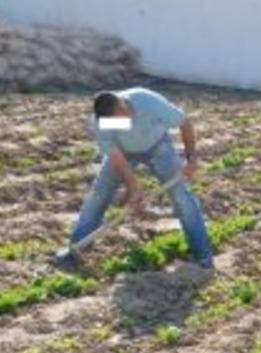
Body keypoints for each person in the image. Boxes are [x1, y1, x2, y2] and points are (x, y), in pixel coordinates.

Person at [53, 87, 214, 270]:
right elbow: (118, 159)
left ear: (123, 107)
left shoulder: (147, 102)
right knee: (98, 195)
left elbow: (184, 123)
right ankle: (76, 249)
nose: (118, 125)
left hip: (157, 146)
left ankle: (203, 256)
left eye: (119, 120)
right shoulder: (103, 123)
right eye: (113, 123)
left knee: (181, 197)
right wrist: (134, 189)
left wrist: (191, 158)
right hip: (125, 152)